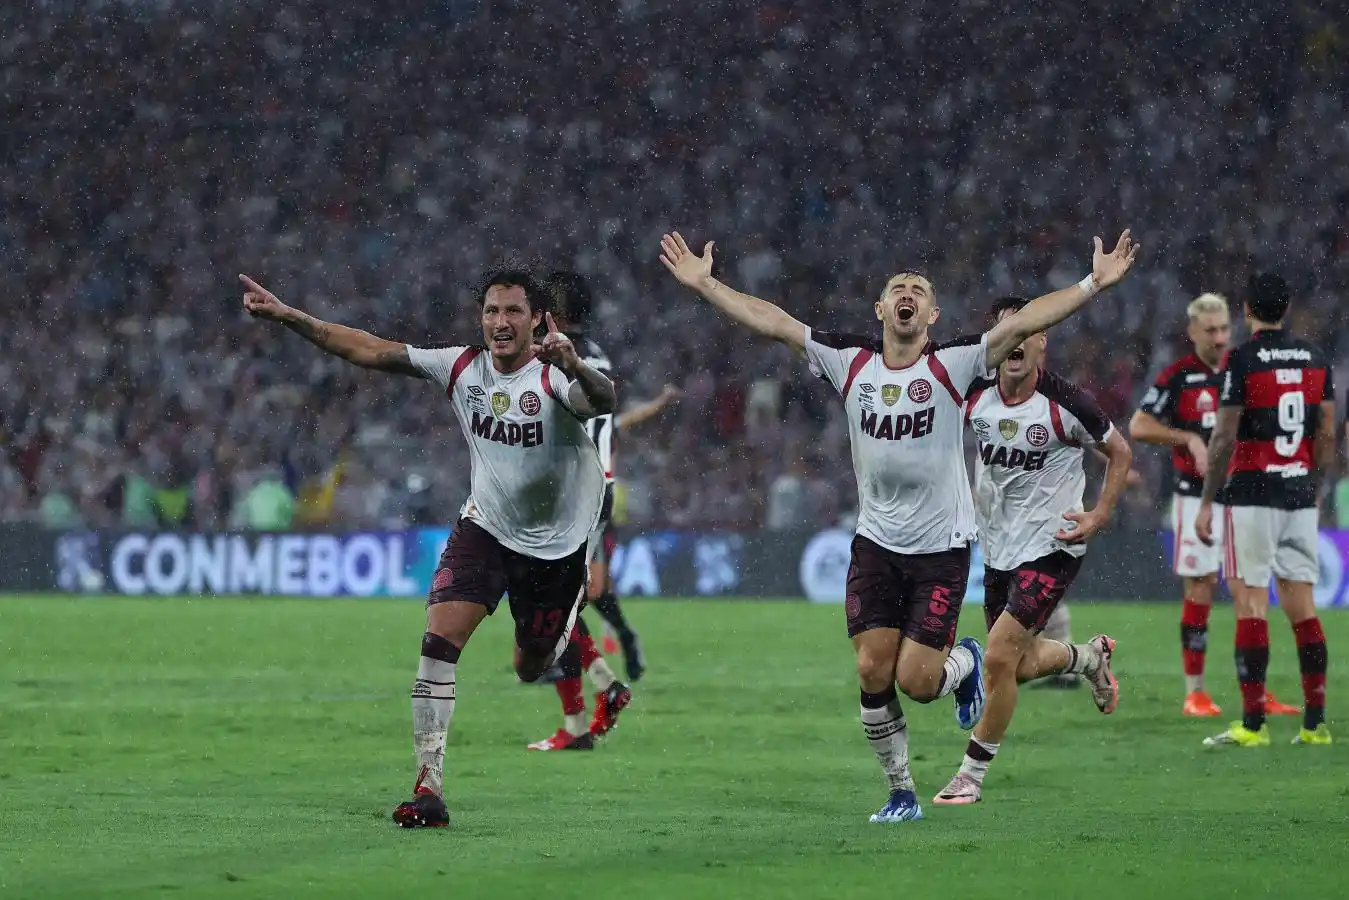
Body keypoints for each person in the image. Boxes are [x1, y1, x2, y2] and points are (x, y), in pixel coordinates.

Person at [658, 228, 1139, 823]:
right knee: (870, 669)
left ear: (931, 315)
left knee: (917, 681)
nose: (907, 293)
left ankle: (962, 665)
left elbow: (1024, 323)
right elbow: (773, 321)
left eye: (919, 289)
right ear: (882, 309)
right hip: (875, 545)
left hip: (941, 549)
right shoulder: (849, 361)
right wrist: (706, 284)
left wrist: (1094, 282)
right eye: (897, 288)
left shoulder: (955, 365)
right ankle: (901, 792)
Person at [239, 269, 616, 827]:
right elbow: (368, 349)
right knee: (438, 642)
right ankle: (427, 789)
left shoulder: (553, 376)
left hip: (555, 552)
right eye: (491, 311)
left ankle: (562, 639)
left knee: (530, 665)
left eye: (513, 311)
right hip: (484, 529)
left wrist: (575, 363)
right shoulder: (461, 367)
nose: (500, 322)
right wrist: (292, 317)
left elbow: (602, 398)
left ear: (537, 318)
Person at [931, 296, 1132, 805]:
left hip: (1053, 547)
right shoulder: (973, 394)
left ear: (1042, 340)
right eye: (1006, 331)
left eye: (1027, 330)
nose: (1016, 340)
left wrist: (1099, 515)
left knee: (997, 658)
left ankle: (970, 777)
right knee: (1015, 667)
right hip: (998, 548)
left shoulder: (1066, 403)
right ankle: (1087, 658)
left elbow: (1120, 452)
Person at [1130, 294, 1299, 718]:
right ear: (1192, 333)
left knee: (1252, 592)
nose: (1221, 337)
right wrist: (1185, 438)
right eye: (1211, 330)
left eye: (1225, 328)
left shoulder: (1244, 368)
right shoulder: (1178, 377)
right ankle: (1195, 692)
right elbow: (1139, 425)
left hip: (1246, 498)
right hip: (1193, 497)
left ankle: (1257, 692)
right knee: (1201, 587)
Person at [1195, 273, 1334, 747]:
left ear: (1248, 309)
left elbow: (1225, 436)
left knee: (1251, 603)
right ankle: (1315, 725)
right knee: (1303, 608)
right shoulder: (1316, 358)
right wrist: (1315, 485)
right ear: (1288, 307)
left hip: (1253, 494)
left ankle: (1253, 726)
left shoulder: (1245, 359)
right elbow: (1327, 434)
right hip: (1299, 495)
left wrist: (1209, 498)